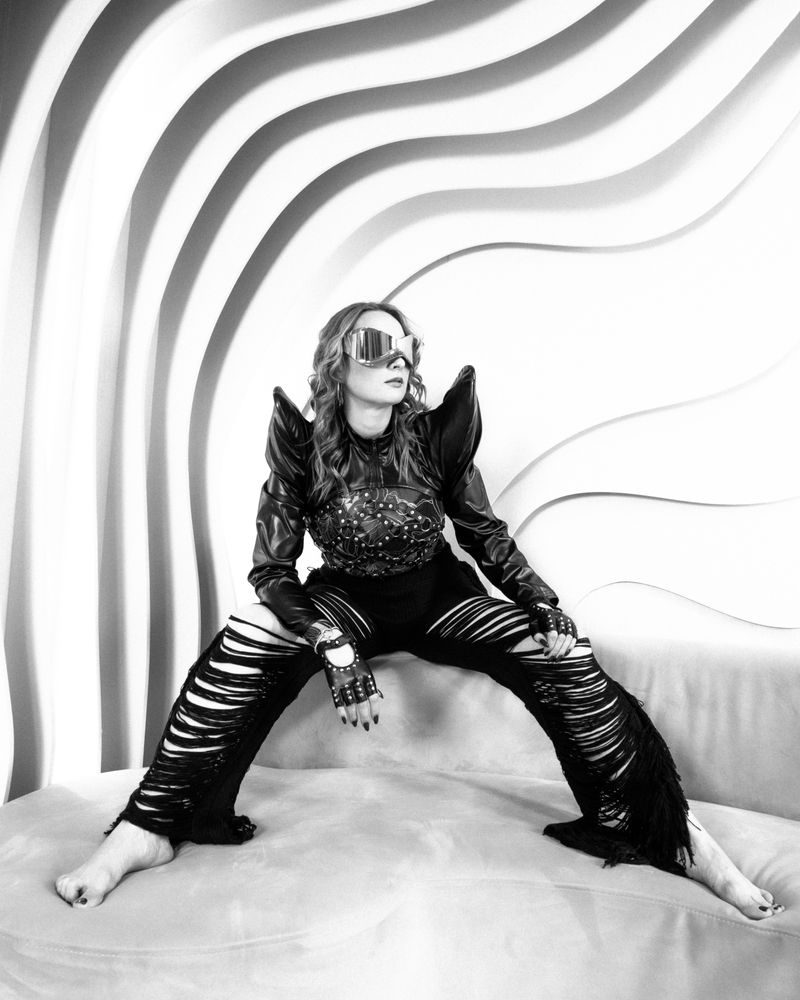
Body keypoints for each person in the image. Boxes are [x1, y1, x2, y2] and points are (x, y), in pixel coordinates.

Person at [56, 301, 783, 919]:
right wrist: (331, 644)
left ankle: (672, 835)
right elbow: (272, 571)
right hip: (346, 604)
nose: (398, 356)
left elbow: (484, 533)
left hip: (441, 600)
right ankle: (148, 827)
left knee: (563, 652)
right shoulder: (302, 449)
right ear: (337, 362)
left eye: (407, 344)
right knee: (247, 632)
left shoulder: (437, 436)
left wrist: (542, 603)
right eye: (377, 344)